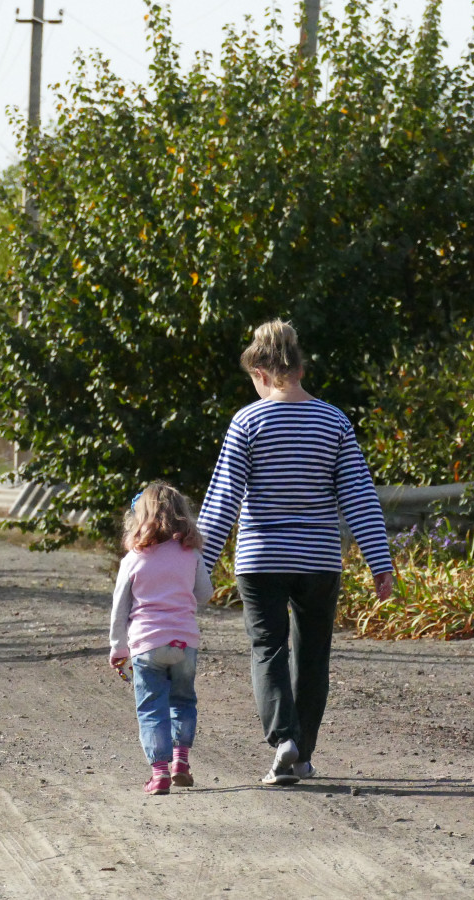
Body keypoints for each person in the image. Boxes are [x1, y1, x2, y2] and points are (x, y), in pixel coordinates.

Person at [197, 319, 394, 786]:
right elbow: (359, 497)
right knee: (312, 657)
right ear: (300, 369)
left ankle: (284, 740)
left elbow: (223, 499)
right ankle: (301, 754)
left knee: (268, 648)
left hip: (261, 558)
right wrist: (379, 561)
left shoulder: (248, 421)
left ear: (261, 373)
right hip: (318, 560)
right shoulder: (334, 421)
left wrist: (197, 567)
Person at [109, 481, 214, 795]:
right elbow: (205, 594)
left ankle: (159, 775)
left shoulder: (134, 558)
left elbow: (119, 608)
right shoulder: (191, 554)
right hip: (184, 643)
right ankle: (181, 761)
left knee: (152, 707)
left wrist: (118, 647)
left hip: (147, 646)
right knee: (183, 701)